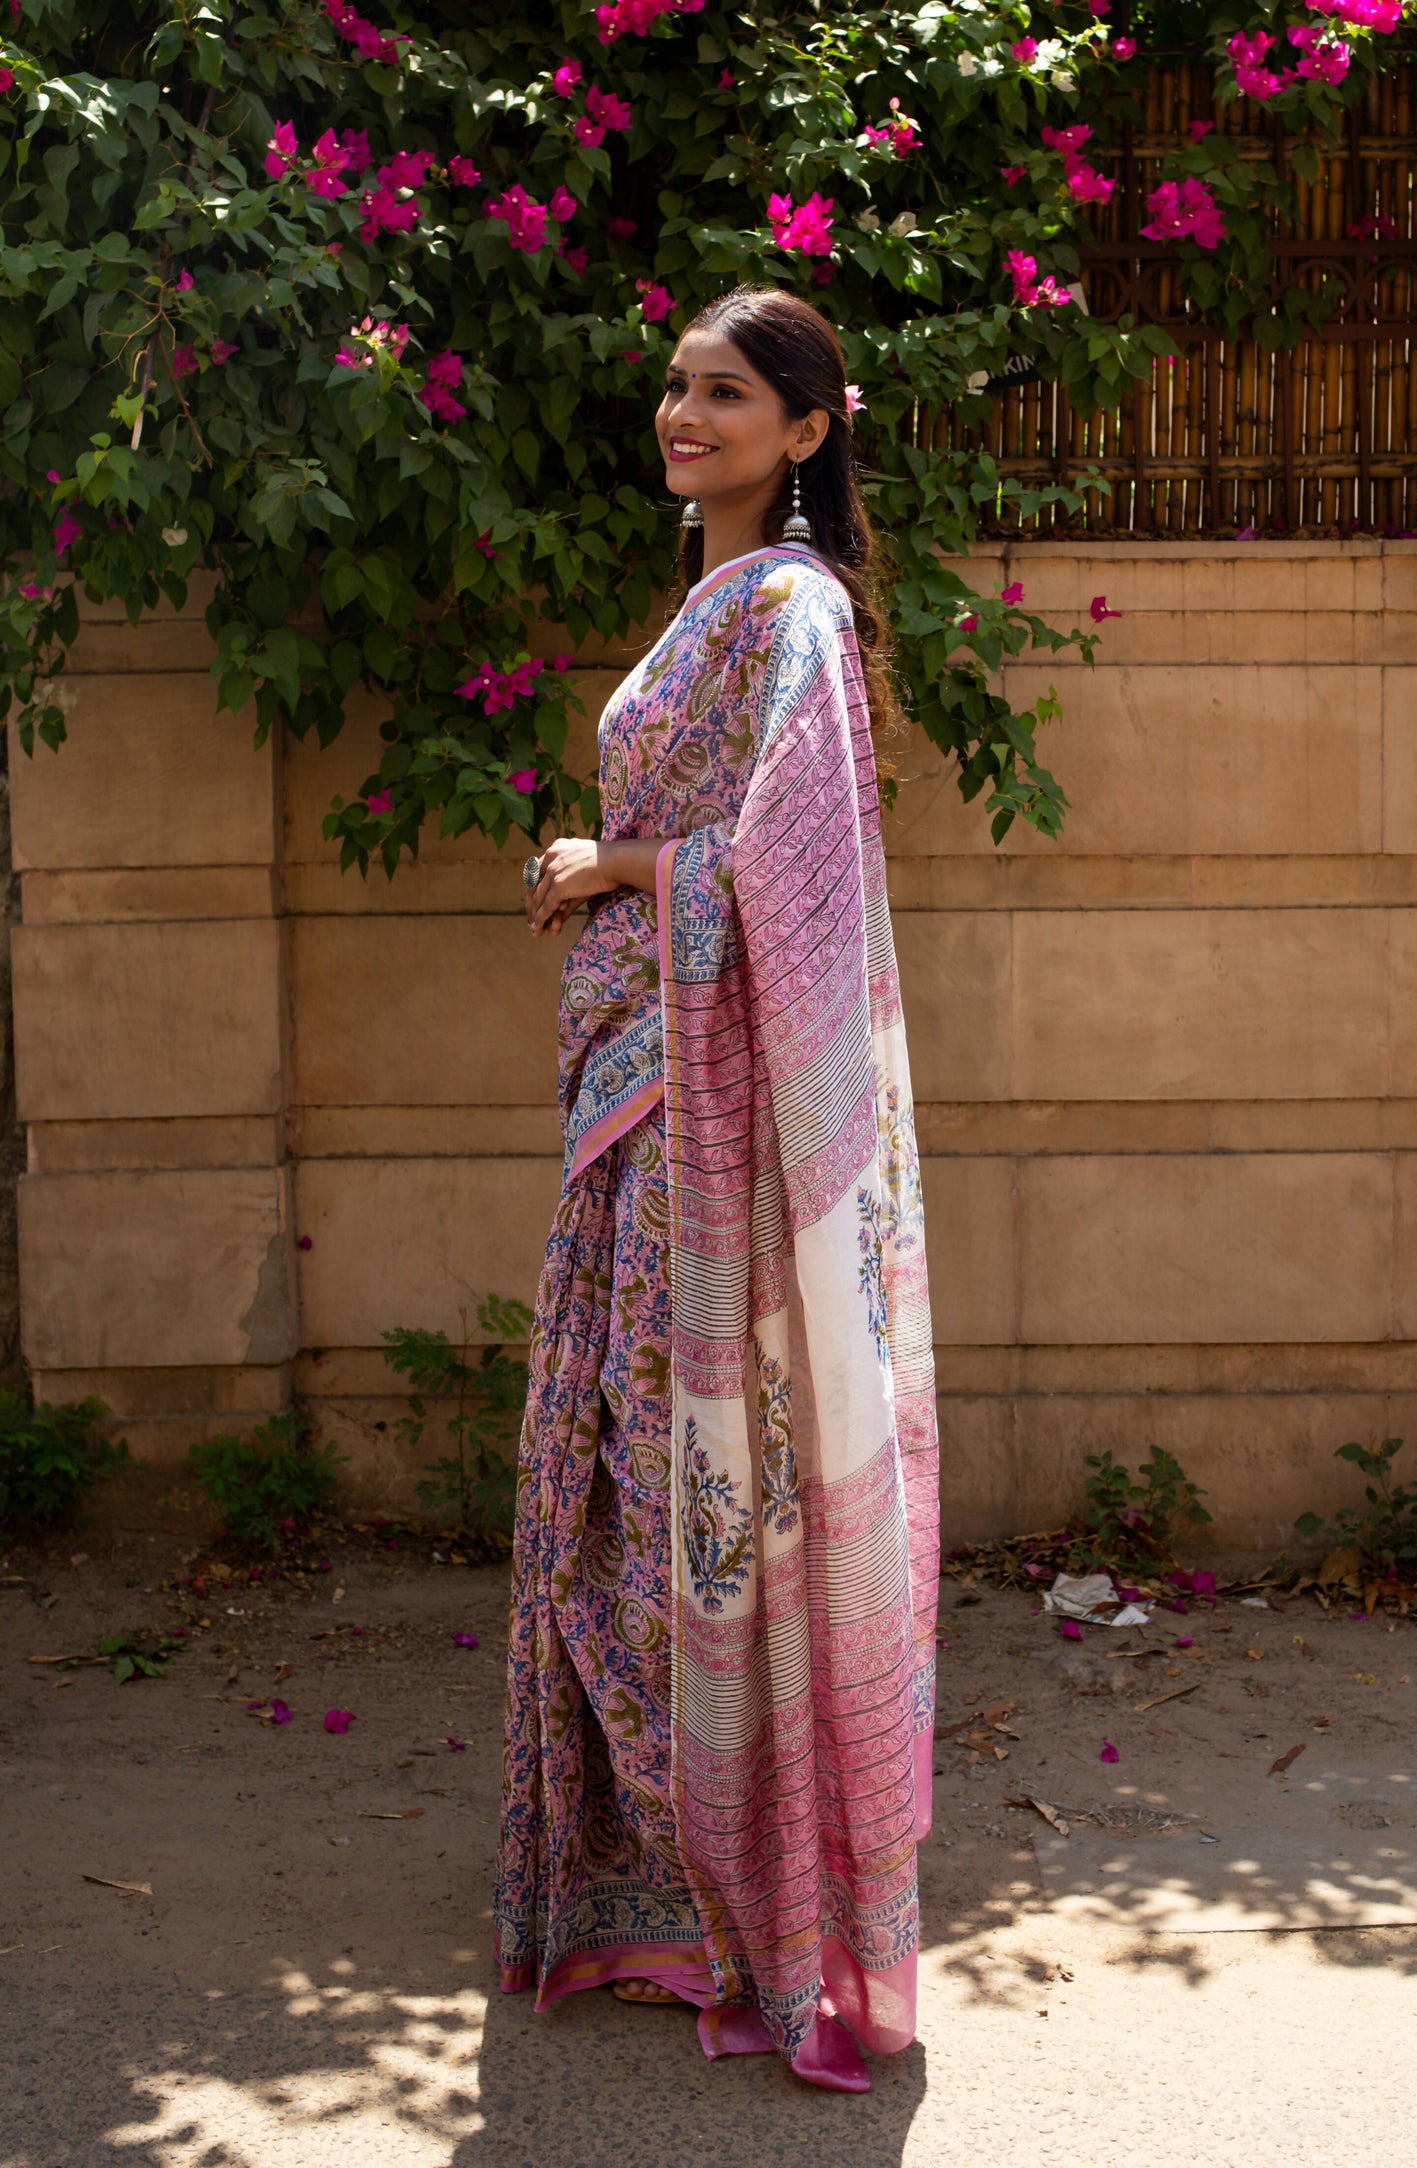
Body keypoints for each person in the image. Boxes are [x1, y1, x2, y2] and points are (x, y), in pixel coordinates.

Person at [494, 283, 939, 2094]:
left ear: (807, 430)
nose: (686, 415)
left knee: (699, 1479)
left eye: (729, 393)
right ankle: (662, 1889)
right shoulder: (717, 598)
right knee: (618, 1475)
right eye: (678, 386)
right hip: (637, 1096)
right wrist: (613, 873)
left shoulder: (790, 610)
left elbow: (789, 864)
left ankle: (757, 1907)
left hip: (706, 1117)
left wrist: (618, 865)